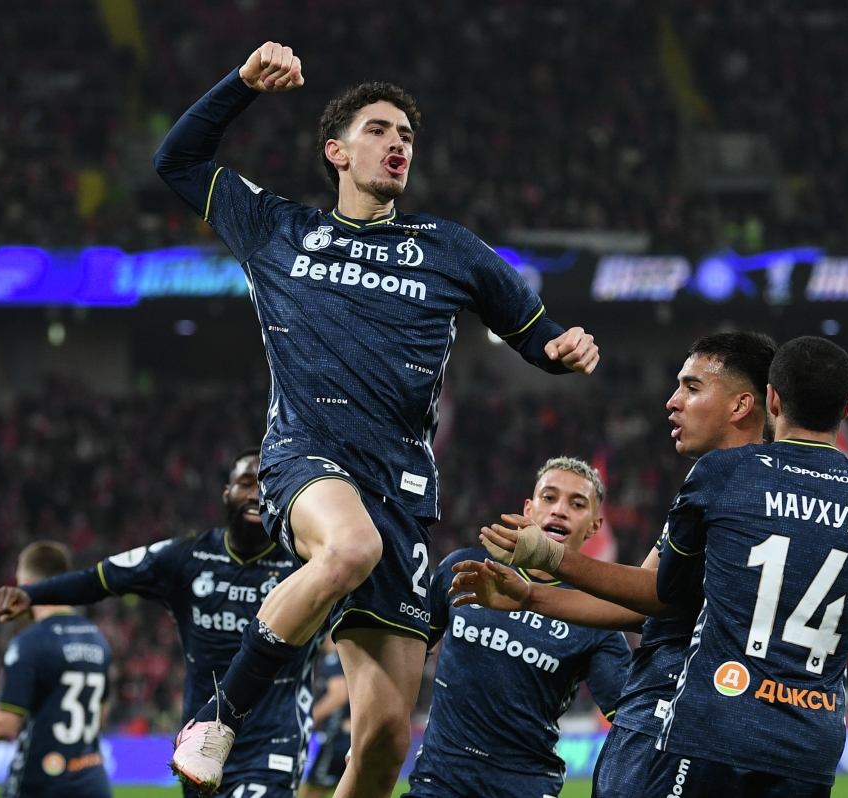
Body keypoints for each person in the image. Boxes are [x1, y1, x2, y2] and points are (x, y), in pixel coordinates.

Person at [153, 41, 599, 797]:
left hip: (399, 494)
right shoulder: (276, 229)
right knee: (348, 546)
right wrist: (241, 85)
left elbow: (536, 333)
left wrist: (563, 347)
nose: (398, 144)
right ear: (336, 150)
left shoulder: (448, 248)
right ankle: (218, 719)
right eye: (380, 130)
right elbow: (178, 160)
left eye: (407, 136)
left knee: (387, 739)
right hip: (307, 458)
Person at [451, 332, 776, 797]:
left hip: (682, 714)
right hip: (763, 723)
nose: (673, 401)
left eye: (691, 387)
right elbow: (648, 597)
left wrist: (547, 559)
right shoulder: (770, 488)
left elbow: (655, 598)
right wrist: (531, 596)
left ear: (741, 404)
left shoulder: (722, 483)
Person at [645, 335, 848, 796]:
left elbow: (668, 590)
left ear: (772, 399)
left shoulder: (723, 472)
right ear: (846, 407)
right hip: (809, 743)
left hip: (714, 725)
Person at [0, 450, 316, 798]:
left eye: (263, 486)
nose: (254, 494)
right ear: (227, 493)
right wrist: (33, 594)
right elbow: (100, 579)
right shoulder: (186, 557)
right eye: (245, 484)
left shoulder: (306, 564)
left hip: (272, 744)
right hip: (197, 745)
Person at [407, 457, 630, 798]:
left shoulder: (594, 615)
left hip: (526, 786)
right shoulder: (467, 569)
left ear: (594, 526)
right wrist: (376, 730)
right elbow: (407, 653)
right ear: (529, 509)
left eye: (577, 504)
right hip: (439, 781)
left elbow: (628, 716)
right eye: (549, 497)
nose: (559, 510)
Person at [0, 542, 112, 798]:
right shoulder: (96, 638)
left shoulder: (31, 642)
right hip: (92, 782)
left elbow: (6, 725)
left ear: (29, 585)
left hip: (42, 783)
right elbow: (100, 713)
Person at [300, 638, 351, 798]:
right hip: (349, 735)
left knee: (312, 791)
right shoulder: (349, 658)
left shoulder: (334, 659)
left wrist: (311, 717)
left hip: (337, 736)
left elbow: (338, 695)